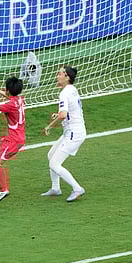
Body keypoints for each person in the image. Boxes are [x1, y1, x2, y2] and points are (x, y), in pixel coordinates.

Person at [41, 65, 86, 202]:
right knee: (51, 155)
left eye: (59, 73)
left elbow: (63, 115)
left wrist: (49, 126)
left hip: (74, 133)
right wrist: (60, 115)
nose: (57, 76)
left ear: (67, 77)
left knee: (54, 163)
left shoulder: (64, 93)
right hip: (73, 130)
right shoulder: (71, 89)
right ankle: (56, 188)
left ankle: (77, 188)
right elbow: (68, 112)